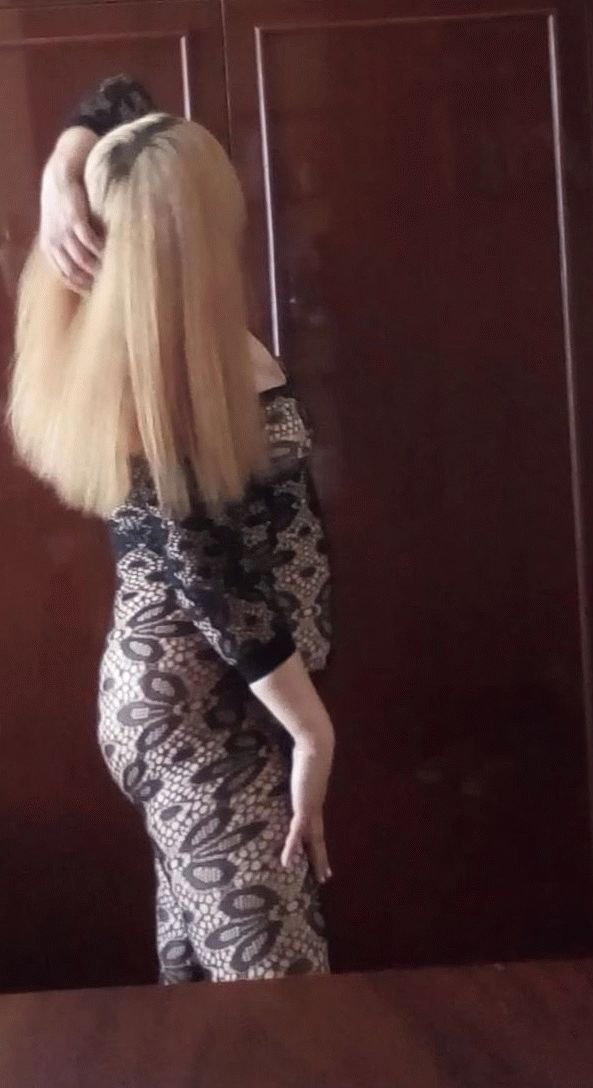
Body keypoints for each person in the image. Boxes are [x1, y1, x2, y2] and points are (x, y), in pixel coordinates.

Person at [9, 77, 335, 983]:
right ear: (190, 238)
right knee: (277, 1001)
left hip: (188, 701)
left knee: (198, 987)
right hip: (205, 713)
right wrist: (311, 731)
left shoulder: (163, 342)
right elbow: (207, 569)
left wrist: (65, 167)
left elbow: (122, 96)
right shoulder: (164, 380)